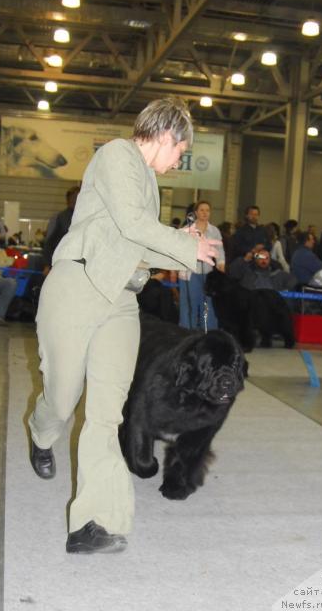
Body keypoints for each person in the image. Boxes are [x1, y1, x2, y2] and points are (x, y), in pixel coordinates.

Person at [28, 97, 220, 555]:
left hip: (122, 300)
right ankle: (41, 431)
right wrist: (180, 244)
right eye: (180, 152)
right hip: (78, 282)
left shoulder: (149, 185)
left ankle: (94, 523)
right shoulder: (117, 154)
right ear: (168, 135)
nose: (179, 162)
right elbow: (132, 224)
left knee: (107, 414)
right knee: (63, 395)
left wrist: (187, 251)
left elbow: (139, 243)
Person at [178, 200, 225, 330]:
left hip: (209, 273)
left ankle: (209, 332)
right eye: (202, 210)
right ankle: (187, 332)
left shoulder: (214, 230)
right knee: (189, 304)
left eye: (207, 210)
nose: (205, 213)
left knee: (208, 304)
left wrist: (221, 263)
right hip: (189, 273)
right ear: (196, 213)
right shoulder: (186, 231)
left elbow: (220, 249)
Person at [43, 186, 80, 270]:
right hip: (60, 264)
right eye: (74, 198)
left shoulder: (84, 218)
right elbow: (48, 243)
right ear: (68, 200)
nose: (75, 200)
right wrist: (47, 265)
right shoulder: (58, 218)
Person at [229, 247, 296, 291]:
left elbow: (292, 281)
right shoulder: (247, 272)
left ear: (270, 260)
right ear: (255, 259)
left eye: (267, 258)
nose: (264, 261)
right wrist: (245, 259)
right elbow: (233, 273)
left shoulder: (277, 273)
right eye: (261, 258)